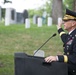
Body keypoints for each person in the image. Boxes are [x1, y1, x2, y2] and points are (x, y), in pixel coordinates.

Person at [44, 8, 76, 75]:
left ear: (73, 23)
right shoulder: (71, 35)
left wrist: (57, 58)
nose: (63, 22)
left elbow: (74, 58)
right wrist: (59, 28)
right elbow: (65, 39)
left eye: (66, 20)